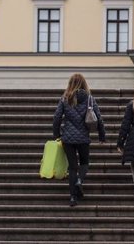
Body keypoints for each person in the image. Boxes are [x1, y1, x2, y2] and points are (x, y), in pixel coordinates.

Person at [52, 73, 106, 207]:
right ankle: (80, 181)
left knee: (72, 167)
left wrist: (56, 134)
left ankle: (72, 197)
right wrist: (101, 135)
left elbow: (57, 117)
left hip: (68, 138)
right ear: (84, 83)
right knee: (84, 163)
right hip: (83, 137)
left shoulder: (65, 98)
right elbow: (98, 118)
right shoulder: (89, 99)